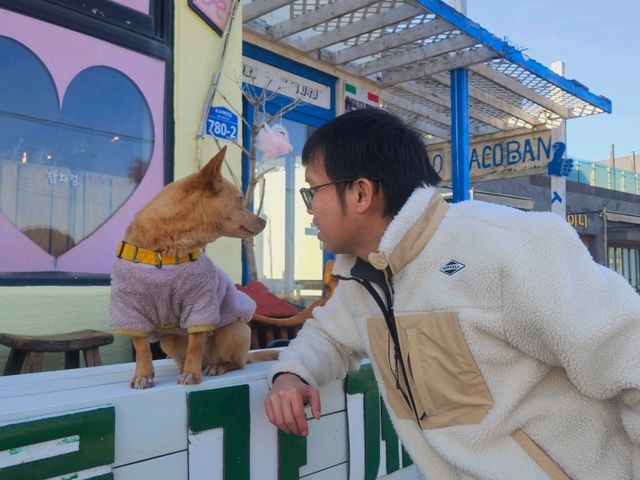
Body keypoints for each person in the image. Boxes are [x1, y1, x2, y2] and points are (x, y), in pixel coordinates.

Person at [263, 108, 640, 479]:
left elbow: (631, 358)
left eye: (313, 190)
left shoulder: (507, 246)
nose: (310, 209)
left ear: (361, 193)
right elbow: (329, 336)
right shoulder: (365, 280)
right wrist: (292, 374)